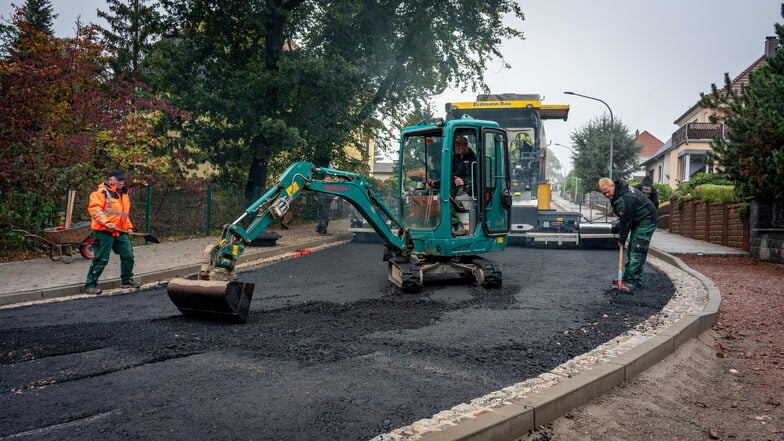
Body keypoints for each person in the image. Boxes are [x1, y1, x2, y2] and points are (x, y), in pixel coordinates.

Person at [84, 170, 141, 295]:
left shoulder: (124, 194)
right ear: (110, 180)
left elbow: (124, 215)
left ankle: (126, 281)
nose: (121, 182)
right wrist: (105, 222)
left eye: (122, 180)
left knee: (128, 256)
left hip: (120, 231)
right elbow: (95, 209)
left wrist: (129, 227)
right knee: (101, 259)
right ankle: (90, 285)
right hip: (104, 231)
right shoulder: (100, 193)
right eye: (118, 180)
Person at [598, 177, 658, 292]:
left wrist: (622, 238)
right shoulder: (618, 193)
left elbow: (626, 222)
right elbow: (624, 219)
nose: (606, 195)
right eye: (603, 193)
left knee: (637, 249)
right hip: (638, 220)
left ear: (612, 186)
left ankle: (633, 281)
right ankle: (626, 278)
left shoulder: (626, 197)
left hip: (647, 220)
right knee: (631, 248)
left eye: (608, 191)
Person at [425, 136, 477, 236]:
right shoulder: (454, 159)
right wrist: (434, 183)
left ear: (466, 145)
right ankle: (431, 225)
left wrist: (463, 182)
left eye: (460, 145)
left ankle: (458, 225)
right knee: (428, 195)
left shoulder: (473, 159)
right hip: (452, 185)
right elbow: (448, 176)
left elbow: (479, 177)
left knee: (442, 198)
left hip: (466, 188)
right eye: (457, 145)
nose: (458, 147)